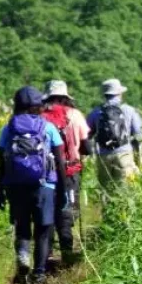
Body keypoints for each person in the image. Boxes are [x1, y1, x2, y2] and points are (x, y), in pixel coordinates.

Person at [0, 86, 66, 284]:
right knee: (43, 230)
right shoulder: (48, 127)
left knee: (23, 227)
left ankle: (23, 256)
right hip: (45, 186)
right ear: (38, 106)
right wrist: (62, 191)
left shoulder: (8, 129)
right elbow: (60, 162)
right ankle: (39, 274)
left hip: (16, 185)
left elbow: (1, 161)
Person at [41, 80, 90, 265]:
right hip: (70, 170)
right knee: (67, 210)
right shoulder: (75, 115)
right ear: (66, 96)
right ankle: (67, 255)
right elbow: (86, 145)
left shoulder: (40, 116)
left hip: (46, 173)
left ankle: (48, 253)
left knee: (48, 209)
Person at [86, 78, 142, 200]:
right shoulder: (128, 110)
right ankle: (124, 216)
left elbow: (87, 133)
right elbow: (139, 134)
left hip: (103, 156)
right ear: (120, 93)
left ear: (105, 95)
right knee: (126, 191)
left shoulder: (96, 112)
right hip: (124, 155)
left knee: (106, 191)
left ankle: (107, 216)